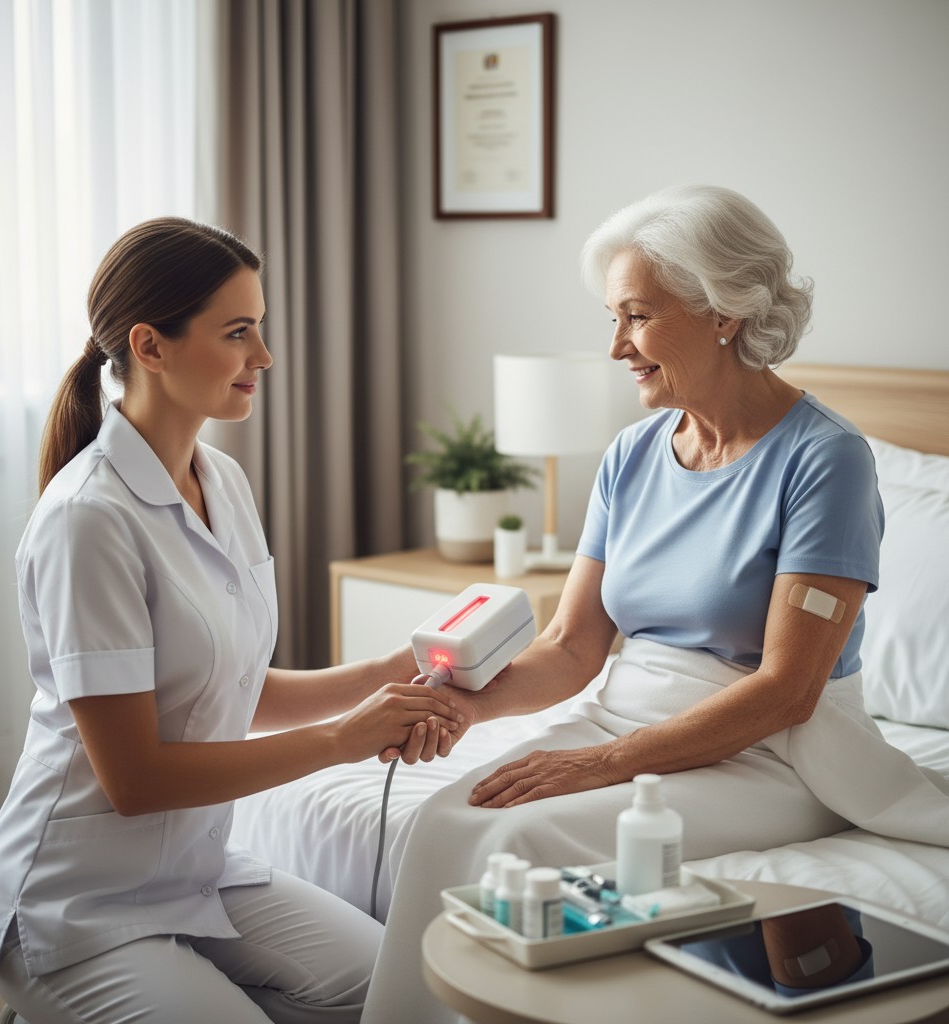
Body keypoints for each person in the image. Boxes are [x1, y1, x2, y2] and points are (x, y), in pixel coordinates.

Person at [360, 186, 949, 1024]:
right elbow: (570, 648)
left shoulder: (827, 461)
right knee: (443, 821)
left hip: (775, 752)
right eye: (614, 318)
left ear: (724, 313)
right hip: (623, 724)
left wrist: (590, 767)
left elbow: (789, 689)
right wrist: (465, 706)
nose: (616, 348)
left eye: (635, 317)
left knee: (513, 840)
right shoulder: (633, 455)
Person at [0, 217, 464, 1024]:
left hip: (195, 873)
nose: (263, 357)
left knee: (408, 991)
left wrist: (382, 679)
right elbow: (136, 780)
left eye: (259, 330)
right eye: (238, 333)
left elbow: (227, 685)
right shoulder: (88, 520)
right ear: (151, 346)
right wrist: (346, 738)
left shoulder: (221, 481)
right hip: (73, 908)